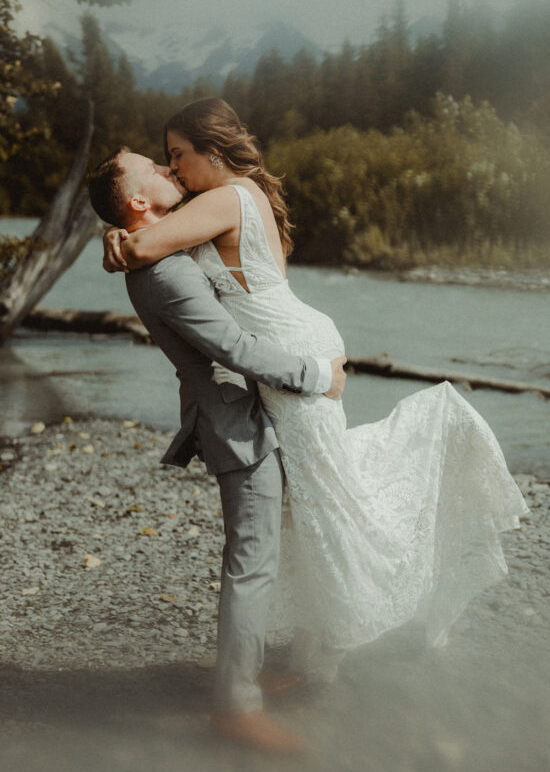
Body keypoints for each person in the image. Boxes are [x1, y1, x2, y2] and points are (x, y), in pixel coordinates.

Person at [103, 97, 528, 689]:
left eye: (178, 155)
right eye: (166, 160)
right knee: (315, 508)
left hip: (293, 361)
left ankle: (323, 658)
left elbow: (144, 247)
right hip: (292, 349)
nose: (175, 169)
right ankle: (313, 663)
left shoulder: (227, 197)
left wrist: (116, 239)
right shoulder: (237, 195)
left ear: (212, 150)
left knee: (329, 507)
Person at [89, 148, 347, 756]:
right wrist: (316, 375)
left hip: (247, 416)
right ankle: (236, 707)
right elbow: (231, 346)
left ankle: (270, 672)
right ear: (138, 203)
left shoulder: (155, 253)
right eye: (155, 168)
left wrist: (119, 240)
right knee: (251, 563)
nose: (167, 168)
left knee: (276, 546)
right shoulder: (164, 272)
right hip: (236, 425)